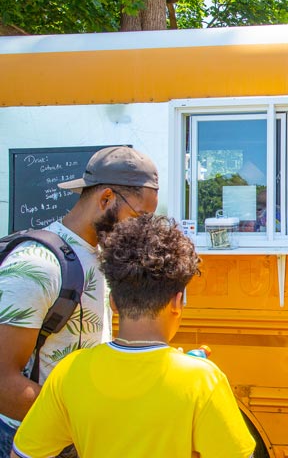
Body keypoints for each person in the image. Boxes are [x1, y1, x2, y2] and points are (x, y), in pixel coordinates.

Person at [10, 214, 256, 458]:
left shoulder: (69, 372)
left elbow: (24, 454)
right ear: (177, 302)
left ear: (113, 302)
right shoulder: (202, 381)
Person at [0, 146, 159, 457]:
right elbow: (3, 381)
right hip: (32, 442)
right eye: (140, 217)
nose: (142, 230)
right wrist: (82, 426)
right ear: (106, 199)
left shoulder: (100, 256)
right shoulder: (36, 265)